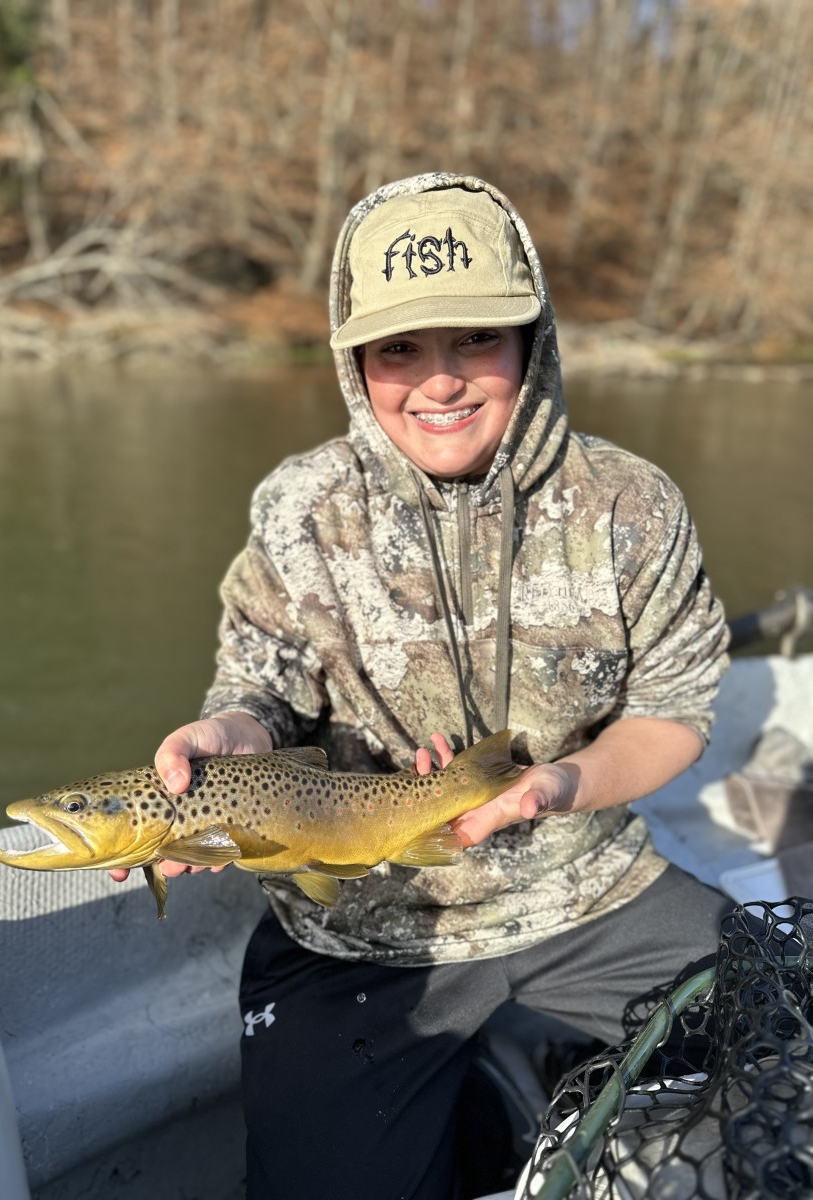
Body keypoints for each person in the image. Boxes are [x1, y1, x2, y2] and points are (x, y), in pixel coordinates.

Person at [113, 174, 731, 1199]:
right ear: (356, 363)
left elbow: (672, 713)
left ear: (532, 343)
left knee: (778, 1057)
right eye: (400, 349)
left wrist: (555, 789)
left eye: (475, 341)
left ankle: (520, 1079)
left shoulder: (631, 505)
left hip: (587, 890)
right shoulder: (302, 508)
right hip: (358, 933)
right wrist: (226, 734)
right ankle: (497, 1104)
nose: (438, 383)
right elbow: (260, 696)